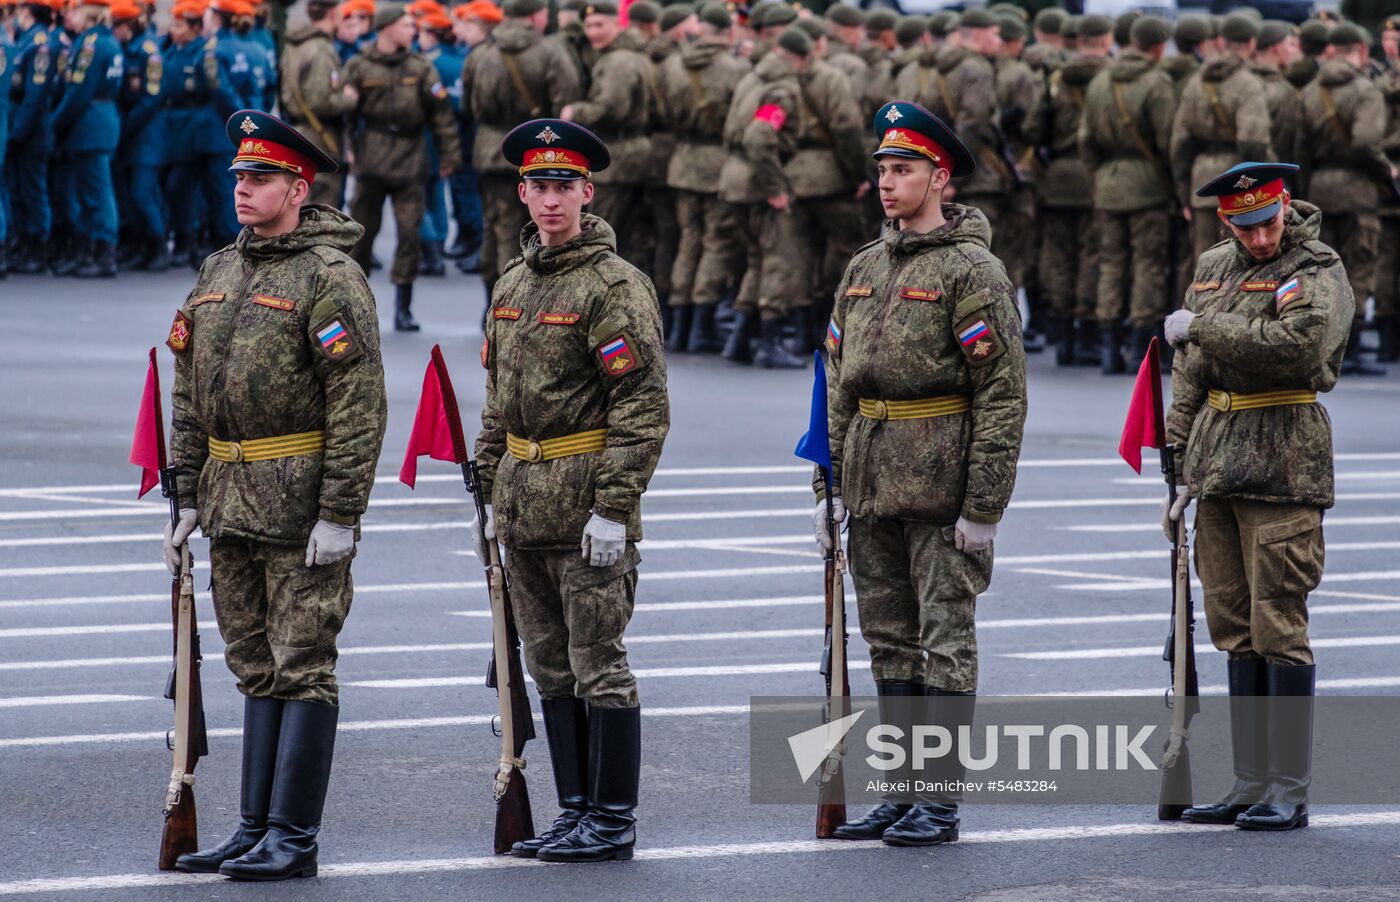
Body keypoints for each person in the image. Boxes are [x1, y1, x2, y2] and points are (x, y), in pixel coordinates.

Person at [165, 109, 387, 880]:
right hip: (229, 499)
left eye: (259, 179)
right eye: (238, 178)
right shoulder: (220, 270)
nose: (243, 189)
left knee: (304, 664)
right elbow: (188, 390)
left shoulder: (330, 277)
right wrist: (186, 490)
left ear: (299, 187)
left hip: (297, 506)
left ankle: (293, 834)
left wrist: (340, 511)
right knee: (253, 664)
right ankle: (254, 825)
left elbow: (358, 403)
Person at [817, 101, 1026, 847]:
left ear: (939, 177)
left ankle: (939, 800)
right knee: (890, 642)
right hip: (873, 485)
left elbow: (1001, 393)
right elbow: (837, 384)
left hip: (941, 488)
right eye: (881, 169)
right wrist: (829, 486)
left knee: (945, 641)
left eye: (902, 169)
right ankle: (903, 794)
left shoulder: (971, 269)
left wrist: (984, 505)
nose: (886, 181)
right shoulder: (865, 267)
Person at [474, 118, 669, 863]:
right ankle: (575, 809)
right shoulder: (514, 283)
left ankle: (612, 819)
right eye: (538, 186)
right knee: (550, 666)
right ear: (521, 192)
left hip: (586, 502)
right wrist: (491, 488)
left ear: (588, 192)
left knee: (599, 663)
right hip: (525, 503)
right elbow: (497, 401)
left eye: (564, 186)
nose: (550, 200)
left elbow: (641, 407)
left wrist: (616, 507)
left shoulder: (614, 286)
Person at [1163, 162, 1350, 833]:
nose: (1262, 236)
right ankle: (1249, 780)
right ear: (1226, 221)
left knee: (1279, 621)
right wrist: (1178, 463)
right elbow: (1188, 374)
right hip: (1216, 459)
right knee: (1234, 625)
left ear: (1284, 209)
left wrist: (1202, 329)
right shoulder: (1215, 265)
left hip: (1283, 457)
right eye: (1246, 225)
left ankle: (1287, 788)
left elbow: (1299, 350)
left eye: (1269, 221)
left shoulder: (1316, 266)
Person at [344, 1, 461, 330]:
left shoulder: (420, 67)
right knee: (361, 236)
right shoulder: (360, 65)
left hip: (411, 157)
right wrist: (347, 150)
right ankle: (354, 302)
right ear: (386, 28)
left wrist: (449, 156)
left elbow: (441, 116)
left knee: (410, 234)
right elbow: (345, 116)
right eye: (406, 25)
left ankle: (403, 307)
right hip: (372, 157)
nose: (412, 30)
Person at [463, 0, 581, 297]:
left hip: (489, 149)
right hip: (538, 148)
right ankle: (512, 295)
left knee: (494, 224)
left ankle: (492, 292)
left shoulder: (481, 54)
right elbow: (566, 104)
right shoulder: (551, 53)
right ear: (536, 15)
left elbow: (468, 107)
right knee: (529, 229)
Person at [1078, 15, 1176, 374]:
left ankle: (1107, 348)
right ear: (1158, 46)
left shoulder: (1101, 81)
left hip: (1107, 183)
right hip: (1148, 186)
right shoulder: (1157, 82)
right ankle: (1139, 347)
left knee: (1110, 262)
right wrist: (1172, 185)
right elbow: (1169, 143)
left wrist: (1100, 176)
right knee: (1147, 264)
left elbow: (1086, 140)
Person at [1298, 22, 1393, 376]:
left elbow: (1300, 150)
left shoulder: (1310, 91)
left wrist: (1307, 190)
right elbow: (1367, 143)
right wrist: (1388, 172)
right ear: (1362, 50)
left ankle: (1321, 345)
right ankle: (1349, 350)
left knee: (1322, 270)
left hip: (1319, 188)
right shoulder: (1365, 90)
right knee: (1359, 268)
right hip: (1357, 191)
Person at [654, 1, 748, 354]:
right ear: (727, 31)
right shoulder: (736, 68)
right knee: (715, 242)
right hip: (717, 163)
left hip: (683, 159)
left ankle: (678, 325)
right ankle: (700, 325)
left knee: (688, 239)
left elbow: (661, 109)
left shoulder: (670, 66)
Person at [1029, 9, 1109, 367]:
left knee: (1057, 253)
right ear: (1104, 39)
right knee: (1092, 252)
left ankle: (1062, 334)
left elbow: (1033, 128)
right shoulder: (1111, 79)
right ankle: (1088, 331)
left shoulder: (1055, 79)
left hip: (1058, 174)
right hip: (1095, 173)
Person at [1170, 14, 1271, 280]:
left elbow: (1180, 143)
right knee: (1244, 262)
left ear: (1220, 41)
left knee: (1203, 262)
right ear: (1251, 43)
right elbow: (1253, 141)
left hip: (1201, 182)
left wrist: (1184, 194)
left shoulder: (1196, 83)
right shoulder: (1247, 84)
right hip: (1241, 182)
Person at [559, 1, 654, 279]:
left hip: (618, 158)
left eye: (599, 25)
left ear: (617, 24)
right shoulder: (629, 55)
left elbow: (611, 109)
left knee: (602, 231)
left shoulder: (618, 61)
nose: (592, 32)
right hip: (633, 153)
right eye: (588, 26)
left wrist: (574, 112)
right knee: (634, 236)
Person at [49, 0, 123, 278]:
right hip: (101, 118)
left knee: (95, 192)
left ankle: (102, 253)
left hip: (89, 122)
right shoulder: (109, 41)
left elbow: (78, 92)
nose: (72, 16)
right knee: (92, 191)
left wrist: (55, 122)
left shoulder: (89, 44)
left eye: (76, 10)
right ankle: (90, 251)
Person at [280, 0, 358, 208]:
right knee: (322, 206)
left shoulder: (296, 45)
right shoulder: (320, 50)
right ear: (332, 13)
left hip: (300, 132)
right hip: (319, 137)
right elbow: (320, 102)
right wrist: (349, 98)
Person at [112, 0, 169, 272]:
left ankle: (157, 245)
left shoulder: (148, 51)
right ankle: (139, 246)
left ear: (127, 25)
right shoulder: (124, 49)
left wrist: (126, 125)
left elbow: (151, 98)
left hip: (146, 134)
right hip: (129, 133)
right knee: (129, 194)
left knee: (142, 193)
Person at [6, 0, 59, 275]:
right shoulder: (27, 39)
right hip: (23, 127)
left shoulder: (39, 43)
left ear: (26, 12)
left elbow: (34, 96)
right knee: (20, 190)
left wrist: (18, 131)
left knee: (33, 190)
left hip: (32, 130)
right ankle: (24, 244)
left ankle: (38, 247)